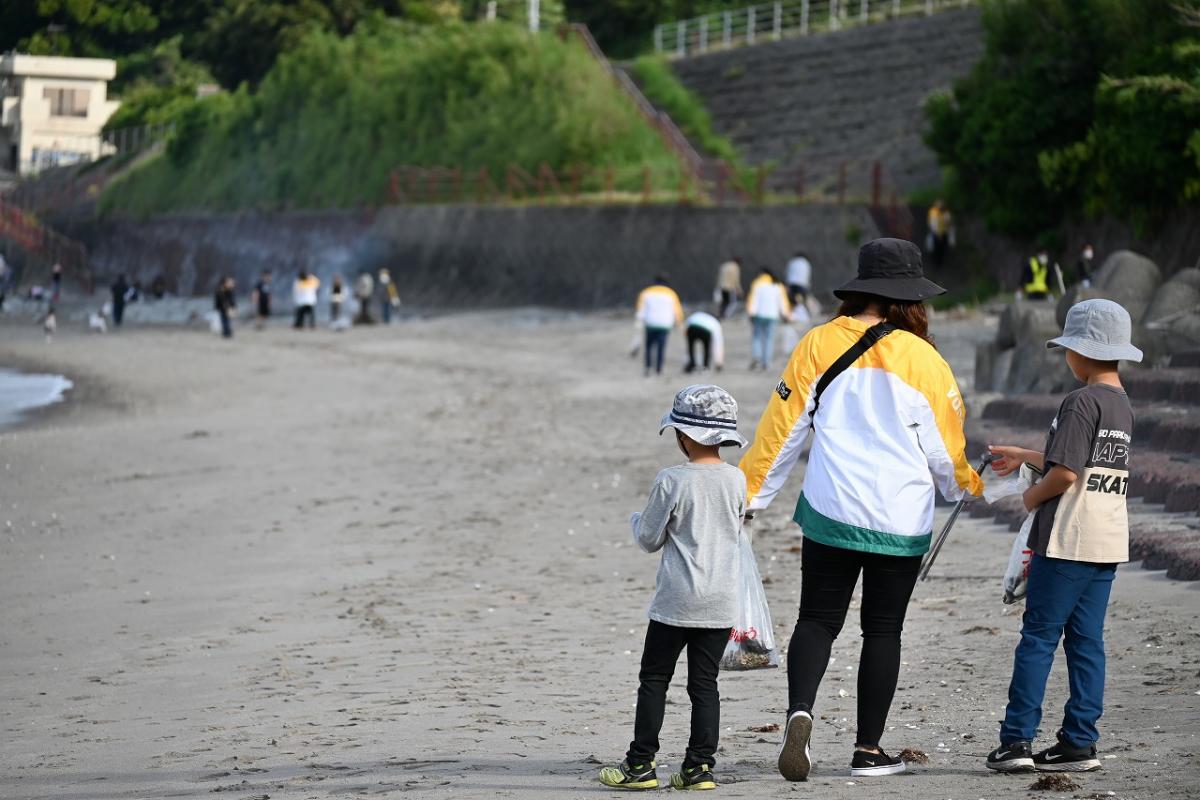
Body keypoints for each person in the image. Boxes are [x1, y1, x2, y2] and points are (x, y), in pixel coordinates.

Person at [739, 238, 983, 781]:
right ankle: (868, 751)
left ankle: (799, 712)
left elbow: (781, 432)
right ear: (911, 300)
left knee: (817, 619)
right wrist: (968, 482)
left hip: (830, 510)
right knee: (883, 631)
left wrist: (747, 500)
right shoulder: (927, 361)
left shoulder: (817, 343)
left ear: (859, 290)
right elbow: (946, 456)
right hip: (899, 520)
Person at [984, 299, 1140, 775]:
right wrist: (1027, 455)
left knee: (1037, 637)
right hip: (1106, 539)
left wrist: (1030, 500)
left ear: (1081, 353)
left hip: (1067, 539)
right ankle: (1079, 741)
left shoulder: (1080, 400)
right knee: (1086, 642)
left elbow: (1066, 473)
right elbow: (1079, 460)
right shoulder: (1121, 404)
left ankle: (1016, 742)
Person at [598, 384, 748, 791]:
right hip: (721, 600)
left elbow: (649, 539)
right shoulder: (736, 479)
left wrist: (635, 519)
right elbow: (734, 528)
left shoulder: (672, 480)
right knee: (704, 685)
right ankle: (699, 768)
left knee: (655, 679)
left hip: (677, 600)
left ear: (683, 436)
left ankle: (640, 765)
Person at [635, 275, 684, 377]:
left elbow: (640, 308)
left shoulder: (646, 292)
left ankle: (648, 367)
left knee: (649, 347)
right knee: (661, 347)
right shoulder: (671, 293)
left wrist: (639, 320)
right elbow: (677, 310)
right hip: (665, 324)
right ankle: (659, 369)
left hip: (650, 323)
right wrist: (679, 323)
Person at [746, 268, 791, 371]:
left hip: (758, 315)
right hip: (772, 316)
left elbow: (752, 299)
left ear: (761, 274)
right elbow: (783, 302)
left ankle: (757, 357)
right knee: (769, 339)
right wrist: (786, 315)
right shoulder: (777, 285)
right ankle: (766, 363)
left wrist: (750, 312)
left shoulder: (757, 283)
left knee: (757, 337)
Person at [926, 200, 952, 268]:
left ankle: (940, 262)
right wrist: (937, 233)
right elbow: (933, 224)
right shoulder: (934, 212)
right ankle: (936, 263)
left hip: (943, 233)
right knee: (936, 249)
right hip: (936, 233)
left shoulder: (946, 213)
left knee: (942, 248)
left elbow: (948, 223)